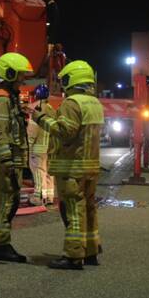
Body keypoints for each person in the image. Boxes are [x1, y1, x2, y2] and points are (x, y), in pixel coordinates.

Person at [33, 59, 104, 270]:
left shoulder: (72, 103)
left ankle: (73, 256)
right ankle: (91, 251)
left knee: (73, 211)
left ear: (73, 79)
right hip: (90, 167)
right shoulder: (94, 103)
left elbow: (66, 132)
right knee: (89, 210)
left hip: (72, 168)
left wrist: (41, 118)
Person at [0, 52, 33, 263]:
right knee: (7, 200)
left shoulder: (1, 95)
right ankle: (1, 244)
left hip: (5, 158)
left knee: (0, 199)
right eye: (20, 76)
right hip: (6, 159)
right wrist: (7, 160)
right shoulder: (1, 98)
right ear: (9, 74)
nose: (22, 80)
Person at [27, 84, 55, 205]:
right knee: (48, 172)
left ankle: (39, 197)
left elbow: (33, 130)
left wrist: (27, 145)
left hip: (38, 148)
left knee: (39, 171)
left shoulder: (36, 109)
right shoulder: (51, 109)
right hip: (50, 147)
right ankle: (49, 196)